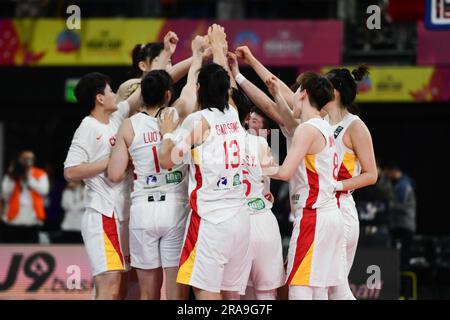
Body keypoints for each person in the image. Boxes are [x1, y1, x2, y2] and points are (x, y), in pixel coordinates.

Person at [62, 28, 165, 298]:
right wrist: (109, 161)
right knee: (108, 287)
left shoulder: (118, 116)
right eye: (110, 91)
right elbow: (70, 171)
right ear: (99, 98)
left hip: (124, 215)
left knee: (121, 288)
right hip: (102, 215)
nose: (114, 95)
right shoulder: (88, 126)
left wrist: (169, 54)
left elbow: (149, 86)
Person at [107, 35, 208, 300]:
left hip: (142, 209)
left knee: (147, 293)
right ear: (167, 94)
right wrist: (197, 55)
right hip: (175, 208)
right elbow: (190, 88)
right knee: (176, 294)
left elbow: (115, 174)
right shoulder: (176, 115)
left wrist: (134, 158)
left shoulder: (127, 126)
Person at [157, 24, 250, 300]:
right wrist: (220, 47)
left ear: (198, 88)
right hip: (239, 219)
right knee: (229, 297)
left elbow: (167, 160)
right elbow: (226, 83)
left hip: (211, 220)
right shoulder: (232, 113)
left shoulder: (197, 122)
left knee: (206, 294)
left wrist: (167, 135)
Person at [268, 72, 346, 300]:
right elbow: (290, 118)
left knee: (299, 287)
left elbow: (283, 172)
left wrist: (252, 162)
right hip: (331, 215)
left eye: (294, 92)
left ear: (302, 94)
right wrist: (278, 97)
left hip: (314, 217)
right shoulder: (325, 126)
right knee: (319, 288)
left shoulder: (307, 129)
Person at [228, 53, 285, 300]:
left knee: (232, 294)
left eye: (257, 120)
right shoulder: (263, 147)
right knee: (265, 293)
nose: (253, 122)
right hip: (261, 217)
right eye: (250, 119)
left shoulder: (219, 141)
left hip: (235, 220)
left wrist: (231, 73)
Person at [322, 66, 378, 300]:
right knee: (321, 287)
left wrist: (337, 186)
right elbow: (281, 102)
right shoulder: (320, 121)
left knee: (335, 288)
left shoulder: (355, 126)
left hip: (341, 209)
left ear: (334, 92)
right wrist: (245, 70)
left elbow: (371, 174)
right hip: (320, 208)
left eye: (322, 87)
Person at [1, 150, 49, 243]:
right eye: (25, 159)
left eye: (30, 158)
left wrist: (29, 178)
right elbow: (5, 194)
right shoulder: (12, 174)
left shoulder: (40, 173)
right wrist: (13, 176)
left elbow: (44, 191)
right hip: (13, 221)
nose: (28, 161)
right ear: (20, 160)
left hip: (32, 221)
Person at [384, 161, 416, 266]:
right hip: (401, 225)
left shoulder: (403, 185)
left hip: (403, 225)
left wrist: (387, 204)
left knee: (402, 258)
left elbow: (399, 205)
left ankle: (402, 280)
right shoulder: (400, 184)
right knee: (401, 256)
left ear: (393, 171)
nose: (387, 176)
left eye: (388, 173)